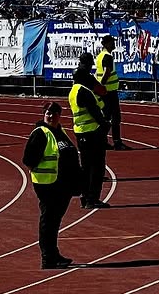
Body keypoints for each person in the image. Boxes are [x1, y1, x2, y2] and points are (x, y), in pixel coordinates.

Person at [22, 100, 81, 269]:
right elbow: (28, 159)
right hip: (48, 185)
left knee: (55, 221)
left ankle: (54, 254)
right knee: (48, 220)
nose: (50, 115)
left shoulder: (60, 132)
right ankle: (48, 257)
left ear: (59, 116)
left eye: (54, 113)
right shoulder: (41, 133)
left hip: (63, 186)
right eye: (47, 112)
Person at [68, 53, 108, 209]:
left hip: (81, 132)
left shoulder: (73, 90)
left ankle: (85, 198)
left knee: (85, 166)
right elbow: (94, 112)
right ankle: (92, 198)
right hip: (92, 132)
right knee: (97, 167)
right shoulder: (84, 91)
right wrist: (104, 125)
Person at [95, 34, 128, 149]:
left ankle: (102, 141)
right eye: (112, 42)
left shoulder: (99, 56)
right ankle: (116, 142)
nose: (114, 44)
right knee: (115, 117)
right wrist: (101, 86)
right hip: (109, 92)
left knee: (106, 117)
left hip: (106, 92)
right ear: (107, 44)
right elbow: (106, 72)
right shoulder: (107, 57)